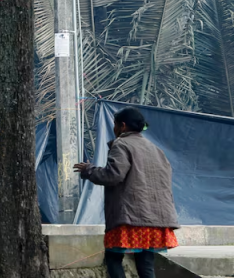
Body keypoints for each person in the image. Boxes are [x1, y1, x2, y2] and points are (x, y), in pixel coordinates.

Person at [73, 107, 179, 278]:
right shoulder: (155, 149)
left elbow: (113, 175)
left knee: (113, 257)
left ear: (122, 126)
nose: (114, 130)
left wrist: (89, 169)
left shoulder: (122, 144)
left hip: (131, 217)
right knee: (146, 260)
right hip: (157, 218)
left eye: (115, 126)